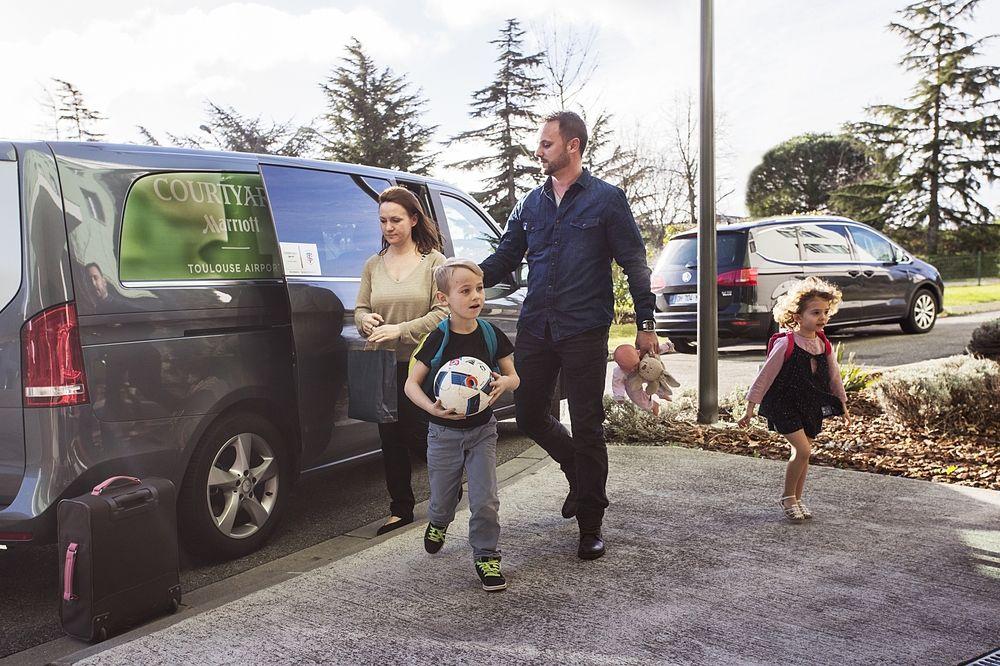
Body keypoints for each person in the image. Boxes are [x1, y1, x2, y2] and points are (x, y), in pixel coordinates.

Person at [479, 110, 658, 560]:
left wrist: (645, 324)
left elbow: (635, 263)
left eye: (546, 144)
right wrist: (460, 281)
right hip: (536, 325)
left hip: (583, 328)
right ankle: (577, 472)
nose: (538, 151)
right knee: (530, 412)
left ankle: (590, 524)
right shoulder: (530, 204)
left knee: (588, 423)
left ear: (572, 145)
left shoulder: (606, 200)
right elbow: (503, 259)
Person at [404, 258, 518, 592]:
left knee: (485, 498)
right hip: (442, 434)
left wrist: (505, 384)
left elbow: (514, 376)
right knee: (441, 499)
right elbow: (411, 385)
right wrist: (433, 410)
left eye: (479, 288)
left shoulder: (490, 334)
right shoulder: (437, 339)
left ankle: (486, 556)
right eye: (465, 290)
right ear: (444, 299)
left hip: (483, 430)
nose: (475, 296)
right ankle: (439, 520)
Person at [356, 186, 448, 535]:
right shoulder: (373, 265)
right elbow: (362, 308)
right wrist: (364, 320)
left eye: (395, 219)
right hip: (382, 365)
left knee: (420, 434)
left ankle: (447, 488)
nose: (389, 227)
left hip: (422, 364)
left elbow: (442, 313)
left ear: (413, 219)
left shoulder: (434, 262)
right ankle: (400, 509)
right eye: (383, 221)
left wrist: (400, 330)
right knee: (390, 439)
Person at [737, 276, 851, 521]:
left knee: (803, 454)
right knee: (803, 450)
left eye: (825, 312)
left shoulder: (823, 343)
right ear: (798, 316)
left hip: (809, 405)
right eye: (815, 312)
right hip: (784, 404)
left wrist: (842, 402)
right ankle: (788, 497)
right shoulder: (787, 343)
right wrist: (750, 408)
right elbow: (765, 376)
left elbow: (834, 376)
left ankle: (797, 498)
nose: (822, 318)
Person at [611, 341, 676, 416]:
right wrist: (619, 395)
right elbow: (617, 384)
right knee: (637, 398)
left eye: (635, 365)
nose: (633, 369)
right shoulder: (619, 372)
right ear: (618, 364)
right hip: (632, 382)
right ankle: (653, 405)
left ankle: (662, 393)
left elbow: (656, 351)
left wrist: (667, 347)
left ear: (638, 353)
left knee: (656, 377)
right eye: (628, 368)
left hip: (646, 371)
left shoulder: (644, 354)